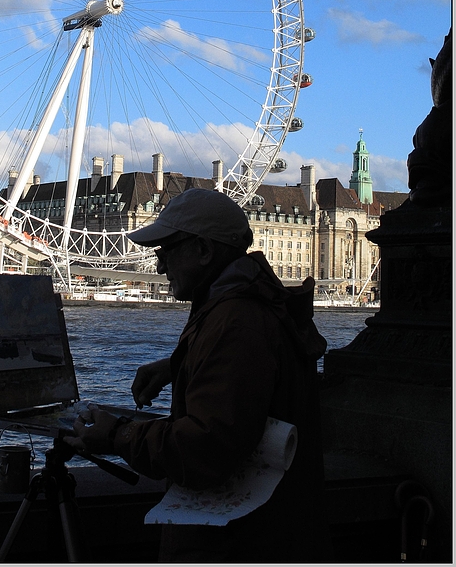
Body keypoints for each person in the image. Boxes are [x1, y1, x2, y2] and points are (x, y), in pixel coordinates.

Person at [65, 188, 329, 562]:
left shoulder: (236, 321)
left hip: (235, 543)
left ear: (204, 251)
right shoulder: (247, 304)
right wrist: (178, 365)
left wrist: (118, 434)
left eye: (166, 252)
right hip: (270, 530)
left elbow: (207, 446)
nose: (159, 268)